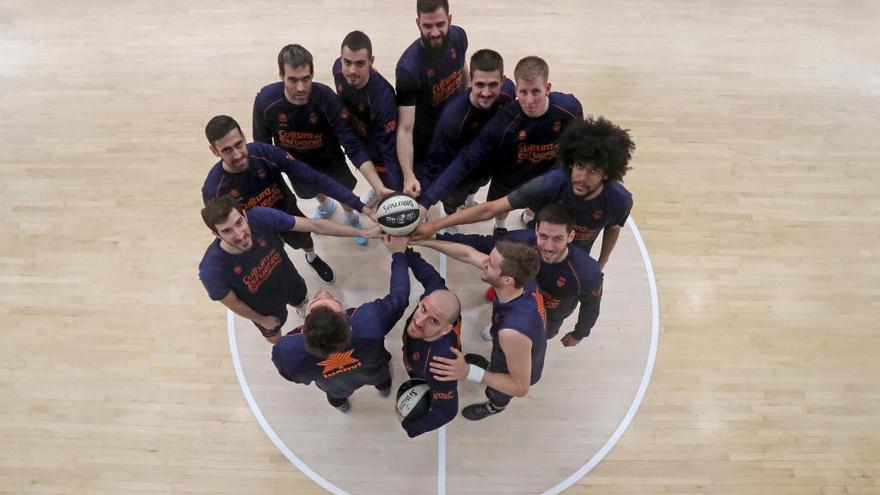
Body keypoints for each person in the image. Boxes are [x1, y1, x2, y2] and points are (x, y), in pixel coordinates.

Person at [413, 116, 635, 270]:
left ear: (606, 173)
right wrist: (434, 225)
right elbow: (491, 208)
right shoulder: (551, 183)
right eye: (579, 166)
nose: (581, 177)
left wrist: (600, 264)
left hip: (573, 258)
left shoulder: (620, 200)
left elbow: (613, 228)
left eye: (593, 171)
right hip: (535, 246)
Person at [416, 55, 583, 234]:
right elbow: (468, 158)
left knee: (539, 205)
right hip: (509, 176)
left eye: (536, 91)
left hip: (546, 175)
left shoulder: (570, 109)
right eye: (523, 92)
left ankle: (528, 216)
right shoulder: (505, 119)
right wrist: (426, 201)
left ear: (547, 88)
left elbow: (581, 142)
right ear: (516, 90)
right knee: (501, 208)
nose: (529, 100)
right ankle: (500, 227)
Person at [202, 115, 372, 283]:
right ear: (214, 150)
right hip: (255, 231)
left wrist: (360, 205)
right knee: (276, 260)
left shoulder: (265, 153)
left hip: (288, 213)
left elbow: (315, 178)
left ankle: (311, 257)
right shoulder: (214, 190)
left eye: (239, 144)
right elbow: (221, 230)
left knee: (305, 240)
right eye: (227, 150)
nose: (237, 154)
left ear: (244, 137)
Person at [253, 44, 387, 245]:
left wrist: (378, 185)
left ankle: (351, 218)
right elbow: (262, 146)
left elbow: (351, 142)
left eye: (306, 79)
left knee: (344, 194)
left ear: (312, 74)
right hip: (296, 166)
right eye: (293, 80)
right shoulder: (265, 102)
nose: (300, 87)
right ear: (281, 75)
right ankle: (325, 206)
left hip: (330, 160)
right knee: (314, 192)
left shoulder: (326, 98)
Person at [198, 196, 375, 344]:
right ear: (216, 234)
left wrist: (360, 233)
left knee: (300, 301)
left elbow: (314, 225)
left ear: (245, 215)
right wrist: (261, 319)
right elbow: (233, 303)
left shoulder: (259, 217)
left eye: (239, 222)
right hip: (263, 308)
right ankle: (283, 345)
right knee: (275, 337)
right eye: (227, 231)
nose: (239, 234)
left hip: (288, 281)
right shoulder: (212, 269)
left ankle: (301, 309)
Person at [271, 235, 412, 412]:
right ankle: (384, 390)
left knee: (336, 396)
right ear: (347, 319)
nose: (322, 294)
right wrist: (399, 254)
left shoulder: (286, 352)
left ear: (303, 328)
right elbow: (400, 298)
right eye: (329, 299)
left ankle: (342, 406)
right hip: (374, 369)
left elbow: (294, 377)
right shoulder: (370, 321)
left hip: (334, 386)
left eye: (317, 301)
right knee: (383, 380)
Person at [436, 203, 602, 345]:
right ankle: (497, 329)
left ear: (571, 236)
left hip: (548, 318)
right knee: (501, 323)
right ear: (536, 229)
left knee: (531, 342)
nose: (549, 247)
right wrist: (435, 236)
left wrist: (578, 334)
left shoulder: (588, 273)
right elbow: (482, 243)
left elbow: (591, 307)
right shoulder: (521, 242)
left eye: (558, 239)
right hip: (510, 302)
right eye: (543, 236)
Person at [418, 239, 545, 420]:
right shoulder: (523, 281)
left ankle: (494, 407)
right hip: (513, 348)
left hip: (517, 369)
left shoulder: (511, 332)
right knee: (495, 364)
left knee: (496, 392)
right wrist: (425, 241)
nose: (484, 262)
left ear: (507, 280)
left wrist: (468, 372)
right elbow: (469, 254)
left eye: (490, 263)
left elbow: (520, 388)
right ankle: (490, 369)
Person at [423, 48, 515, 226]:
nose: (486, 93)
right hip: (458, 171)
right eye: (480, 84)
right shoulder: (452, 117)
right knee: (452, 201)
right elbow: (437, 160)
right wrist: (427, 197)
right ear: (470, 80)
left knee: (478, 185)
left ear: (503, 81)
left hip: (486, 164)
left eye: (493, 84)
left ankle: (469, 200)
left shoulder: (508, 93)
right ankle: (449, 220)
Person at [396, 0, 469, 198]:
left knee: (455, 184)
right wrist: (408, 175)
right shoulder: (408, 70)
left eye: (440, 25)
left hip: (454, 129)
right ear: (418, 22)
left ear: (450, 20)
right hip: (425, 141)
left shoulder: (459, 36)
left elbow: (463, 66)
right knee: (424, 190)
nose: (435, 32)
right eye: (427, 26)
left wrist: (468, 96)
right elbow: (404, 128)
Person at [332, 30, 403, 206]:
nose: (351, 70)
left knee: (387, 176)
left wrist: (398, 199)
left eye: (360, 64)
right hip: (358, 132)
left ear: (371, 62)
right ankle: (376, 187)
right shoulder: (337, 70)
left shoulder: (383, 98)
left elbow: (390, 153)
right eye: (347, 62)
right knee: (374, 173)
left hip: (381, 144)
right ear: (341, 58)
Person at [398, 249, 462, 437]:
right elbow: (430, 276)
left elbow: (447, 412)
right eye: (423, 308)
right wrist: (404, 251)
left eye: (433, 321)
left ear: (445, 329)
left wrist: (412, 427)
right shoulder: (437, 297)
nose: (419, 321)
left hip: (423, 371)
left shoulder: (441, 366)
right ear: (424, 299)